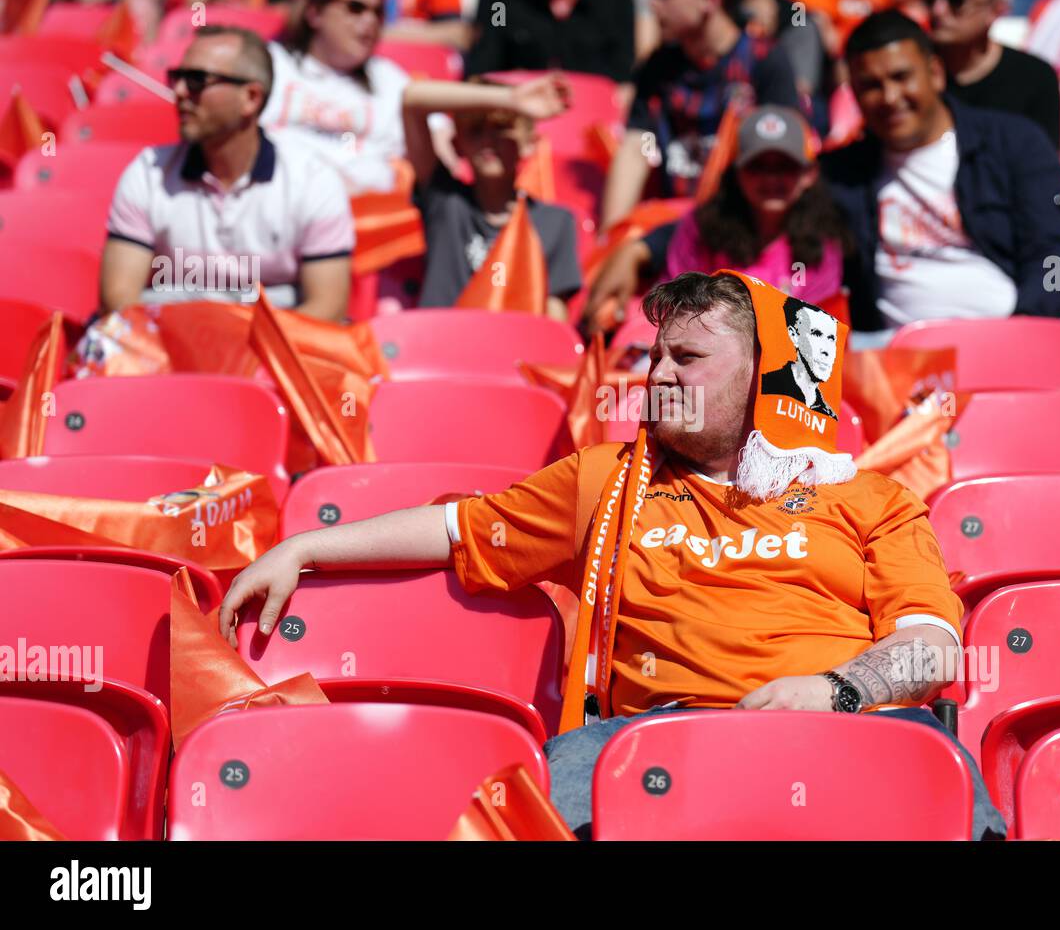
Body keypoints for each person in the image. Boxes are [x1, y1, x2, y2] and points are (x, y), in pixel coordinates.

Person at [218, 268, 1007, 841]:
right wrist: (307, 546)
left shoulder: (870, 498)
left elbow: (932, 649)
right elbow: (459, 528)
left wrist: (832, 692)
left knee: (946, 773)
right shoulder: (606, 481)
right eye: (656, 356)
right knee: (537, 794)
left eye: (687, 360)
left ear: (769, 379)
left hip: (849, 731)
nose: (657, 375)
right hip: (654, 743)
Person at [821, 10, 1060, 338]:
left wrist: (1021, 331)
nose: (890, 98)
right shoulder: (839, 176)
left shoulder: (1016, 143)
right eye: (871, 86)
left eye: (901, 77)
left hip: (1017, 333)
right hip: (895, 353)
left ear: (935, 73)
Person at [101, 26, 355, 323]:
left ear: (250, 97)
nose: (180, 92)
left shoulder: (313, 181)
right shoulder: (148, 173)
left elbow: (328, 308)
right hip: (165, 351)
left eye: (197, 80)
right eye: (177, 77)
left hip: (273, 357)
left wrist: (236, 351)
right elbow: (118, 302)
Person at [582, 104, 850, 339]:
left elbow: (815, 336)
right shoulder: (701, 229)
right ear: (736, 172)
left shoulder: (823, 243)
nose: (771, 179)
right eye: (758, 166)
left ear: (808, 174)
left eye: (785, 167)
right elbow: (676, 310)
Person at [600, 0, 802, 230]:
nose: (653, 4)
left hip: (743, 228)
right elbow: (634, 151)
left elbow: (783, 162)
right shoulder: (658, 68)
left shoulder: (764, 61)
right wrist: (610, 239)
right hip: (673, 228)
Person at [400, 73, 582, 317]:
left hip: (513, 350)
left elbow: (554, 312)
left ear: (530, 142)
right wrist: (510, 98)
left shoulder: (555, 221)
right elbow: (411, 100)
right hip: (438, 347)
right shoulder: (444, 200)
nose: (488, 140)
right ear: (457, 144)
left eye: (501, 128)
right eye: (475, 130)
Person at [262, 0, 413, 195]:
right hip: (276, 199)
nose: (370, 20)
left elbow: (439, 143)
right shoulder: (271, 63)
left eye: (378, 12)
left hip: (366, 215)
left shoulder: (390, 78)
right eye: (355, 7)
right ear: (314, 12)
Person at [927, 0, 1060, 149]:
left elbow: (1044, 166)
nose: (937, 9)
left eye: (956, 1)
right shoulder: (911, 71)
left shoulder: (1035, 79)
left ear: (996, 10)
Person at [464, 0, 637, 97]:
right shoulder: (501, 4)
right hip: (524, 120)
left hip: (591, 124)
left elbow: (622, 78)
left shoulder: (616, 1)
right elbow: (483, 68)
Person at [760, 297, 839, 417]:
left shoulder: (829, 415)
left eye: (831, 338)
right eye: (816, 334)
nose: (826, 350)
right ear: (794, 335)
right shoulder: (765, 387)